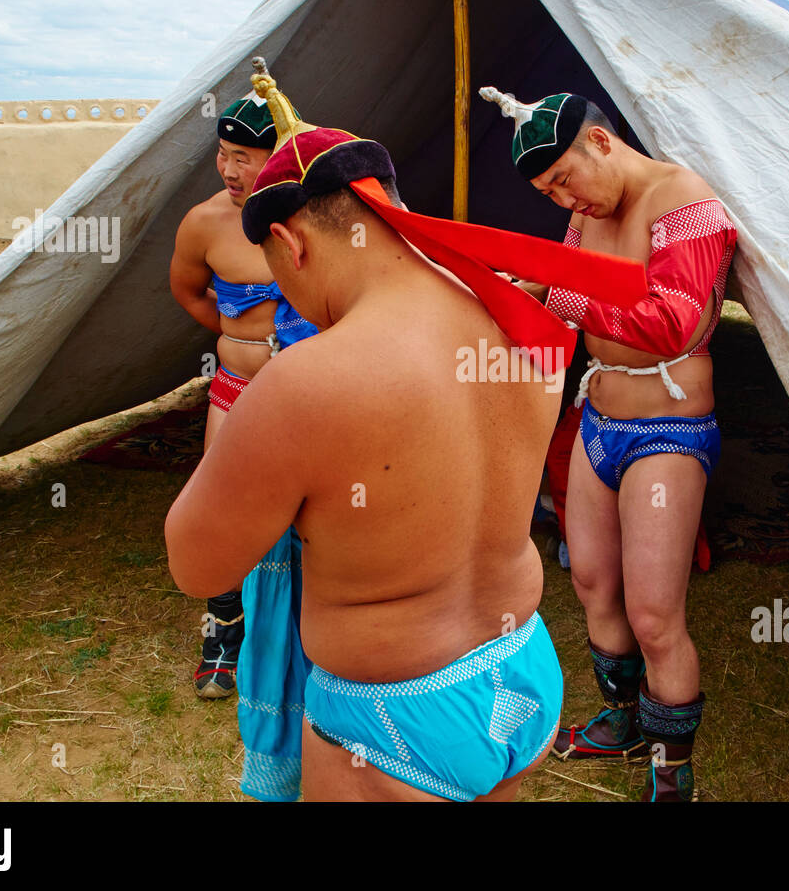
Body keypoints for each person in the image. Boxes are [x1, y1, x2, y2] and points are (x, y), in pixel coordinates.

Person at [165, 63, 646, 801]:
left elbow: (197, 566)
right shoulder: (521, 320)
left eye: (277, 272)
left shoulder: (306, 383)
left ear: (292, 246)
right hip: (519, 668)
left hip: (394, 713)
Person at [481, 87, 736, 801]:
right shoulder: (586, 214)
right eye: (546, 191)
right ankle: (622, 720)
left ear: (599, 142)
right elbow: (566, 290)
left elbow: (673, 325)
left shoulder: (683, 198)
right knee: (592, 581)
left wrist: (548, 294)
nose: (564, 200)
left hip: (669, 425)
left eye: (563, 178)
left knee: (655, 613)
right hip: (602, 416)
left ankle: (671, 767)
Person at [169, 91, 317, 713]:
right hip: (236, 390)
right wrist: (238, 341)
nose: (231, 171)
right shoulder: (204, 222)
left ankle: (312, 637)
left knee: (316, 515)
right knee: (223, 508)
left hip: (308, 395)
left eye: (246, 158)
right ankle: (223, 631)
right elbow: (190, 292)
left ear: (278, 155)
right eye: (223, 155)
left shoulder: (317, 216)